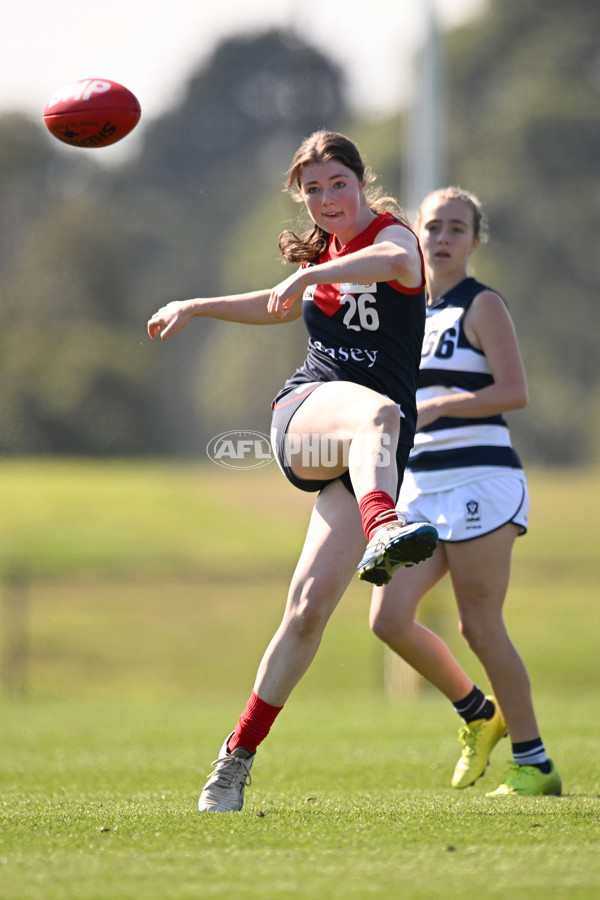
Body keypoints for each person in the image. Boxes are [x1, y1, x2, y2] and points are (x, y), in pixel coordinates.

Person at [147, 131, 438, 812]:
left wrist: (310, 275)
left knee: (308, 611)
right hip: (307, 416)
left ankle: (233, 760)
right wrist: (199, 305)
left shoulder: (395, 241)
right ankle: (385, 526)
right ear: (300, 196)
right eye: (312, 189)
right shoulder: (324, 257)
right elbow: (270, 304)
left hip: (368, 452)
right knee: (378, 417)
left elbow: (392, 259)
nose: (327, 198)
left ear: (362, 184)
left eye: (338, 183)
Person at [369, 186, 561, 797]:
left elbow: (514, 391)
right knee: (389, 618)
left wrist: (447, 403)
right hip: (422, 486)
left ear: (475, 241)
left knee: (480, 626)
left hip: (482, 480)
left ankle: (534, 764)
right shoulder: (405, 313)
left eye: (457, 228)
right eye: (433, 227)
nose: (443, 238)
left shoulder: (483, 306)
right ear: (414, 237)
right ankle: (478, 714)